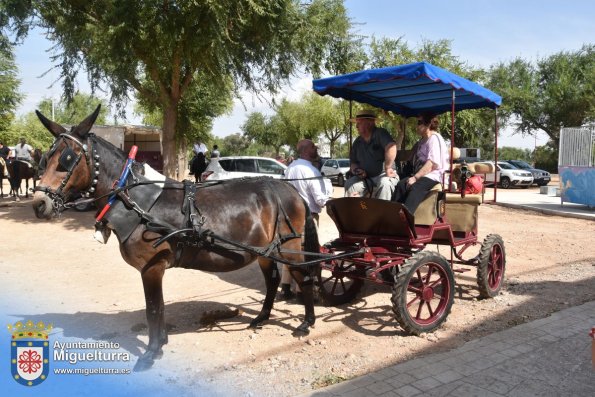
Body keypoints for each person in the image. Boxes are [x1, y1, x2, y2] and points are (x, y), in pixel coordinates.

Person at [282, 139, 331, 300]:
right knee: (306, 254)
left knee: (290, 251)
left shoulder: (291, 168)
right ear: (305, 150)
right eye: (313, 147)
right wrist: (329, 190)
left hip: (289, 216)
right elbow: (320, 200)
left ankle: (286, 287)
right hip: (307, 218)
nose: (315, 148)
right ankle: (301, 292)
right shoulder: (310, 171)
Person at [391, 112, 449, 214]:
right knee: (401, 185)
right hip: (423, 173)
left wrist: (415, 177)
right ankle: (392, 213)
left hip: (434, 175)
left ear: (428, 124)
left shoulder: (434, 139)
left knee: (415, 187)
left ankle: (405, 216)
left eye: (419, 122)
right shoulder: (422, 141)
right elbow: (411, 157)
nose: (416, 126)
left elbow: (431, 164)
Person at [344, 109, 398, 200]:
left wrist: (388, 167)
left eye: (359, 123)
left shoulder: (381, 133)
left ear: (369, 123)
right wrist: (357, 170)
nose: (356, 126)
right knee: (350, 184)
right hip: (366, 178)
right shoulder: (357, 142)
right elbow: (353, 163)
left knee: (385, 183)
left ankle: (381, 213)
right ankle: (358, 211)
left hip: (384, 174)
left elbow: (391, 146)